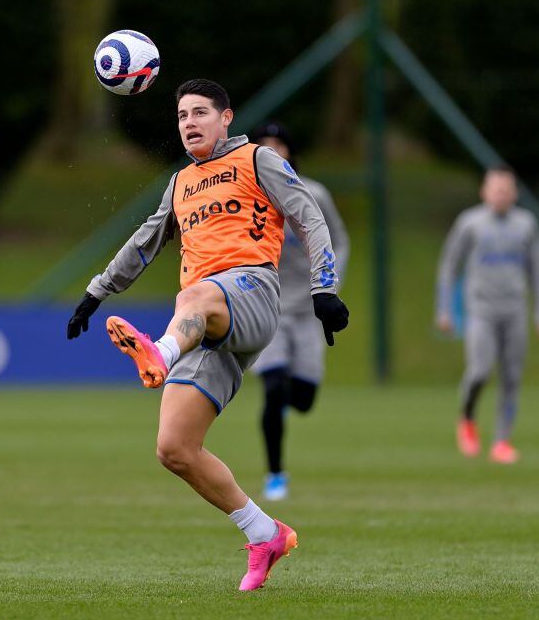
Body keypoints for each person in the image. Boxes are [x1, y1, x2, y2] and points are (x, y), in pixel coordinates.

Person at [66, 79, 349, 591]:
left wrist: (323, 287)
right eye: (181, 116)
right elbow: (144, 242)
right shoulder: (179, 184)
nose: (189, 123)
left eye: (200, 112)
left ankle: (161, 350)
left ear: (227, 118)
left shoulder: (258, 160)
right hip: (209, 321)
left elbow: (310, 216)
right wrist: (96, 292)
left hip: (253, 291)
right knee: (174, 447)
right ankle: (265, 533)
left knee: (191, 296)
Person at [248, 122, 349, 499]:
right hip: (267, 308)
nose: (272, 150)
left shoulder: (314, 193)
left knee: (303, 399)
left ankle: (289, 401)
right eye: (264, 145)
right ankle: (275, 474)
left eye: (279, 144)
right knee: (273, 389)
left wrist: (329, 286)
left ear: (291, 151)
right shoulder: (246, 193)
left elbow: (338, 239)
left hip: (308, 310)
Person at [435, 167, 539, 464]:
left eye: (506, 189)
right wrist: (444, 309)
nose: (500, 195)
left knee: (511, 377)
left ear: (514, 193)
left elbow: (536, 270)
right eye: (495, 189)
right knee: (480, 371)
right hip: (481, 310)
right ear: (484, 192)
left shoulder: (525, 224)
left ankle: (502, 441)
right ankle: (468, 417)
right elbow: (449, 266)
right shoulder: (470, 223)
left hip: (514, 311)